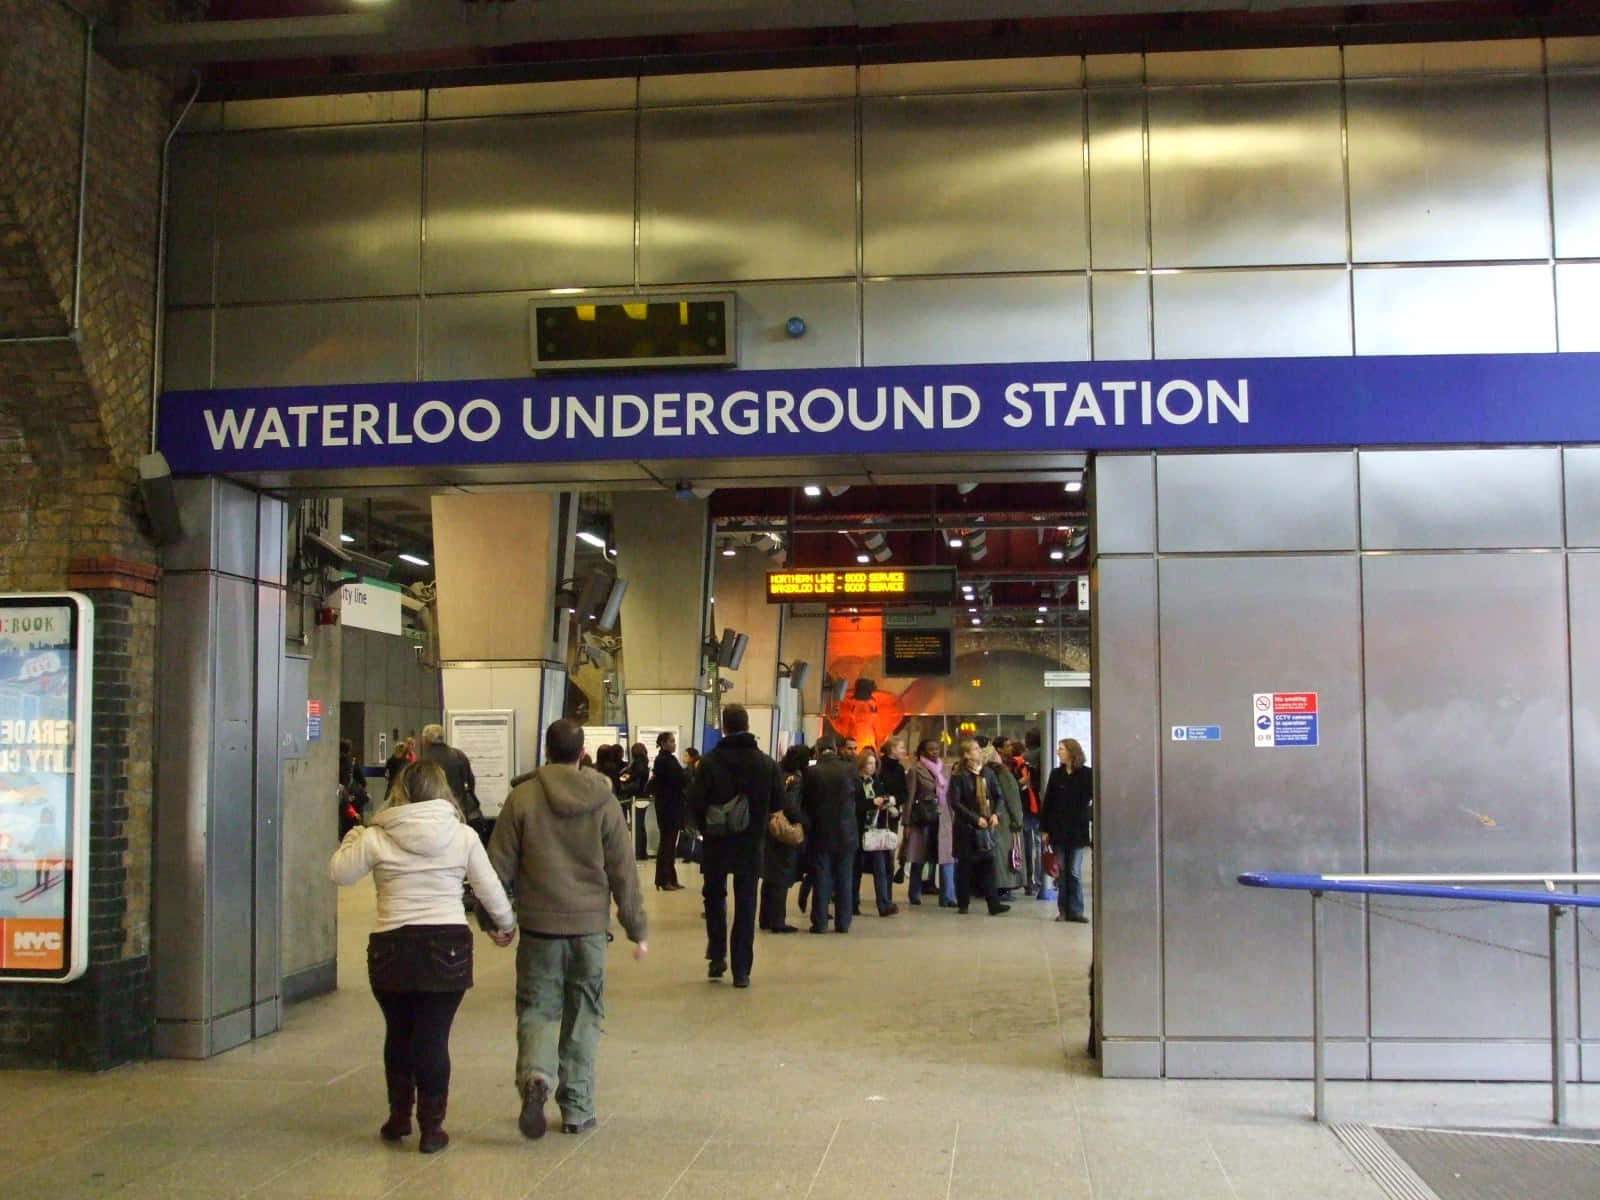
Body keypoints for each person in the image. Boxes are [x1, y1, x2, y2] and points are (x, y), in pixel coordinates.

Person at [329, 761, 516, 1154]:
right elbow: (489, 889)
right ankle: (432, 1128)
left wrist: (352, 837)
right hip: (446, 946)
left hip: (391, 946)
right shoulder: (462, 835)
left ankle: (399, 1117)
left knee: (398, 1033)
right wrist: (505, 924)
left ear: (401, 790)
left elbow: (340, 873)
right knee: (433, 1036)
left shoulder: (376, 835)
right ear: (443, 790)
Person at [488, 719, 647, 1138]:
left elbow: (496, 867)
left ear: (546, 750)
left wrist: (493, 921)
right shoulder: (604, 802)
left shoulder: (521, 799)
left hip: (539, 928)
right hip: (589, 930)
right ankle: (577, 1107)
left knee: (537, 1008)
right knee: (584, 1013)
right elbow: (623, 870)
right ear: (582, 753)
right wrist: (636, 926)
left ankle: (536, 1075)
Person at [686, 704, 783, 987]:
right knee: (746, 902)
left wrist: (705, 827)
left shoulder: (710, 762)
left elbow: (695, 801)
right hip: (751, 842)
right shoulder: (766, 764)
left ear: (724, 727)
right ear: (748, 725)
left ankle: (717, 956)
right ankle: (742, 970)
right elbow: (778, 802)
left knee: (714, 897)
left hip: (717, 841)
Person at [800, 734, 859, 933]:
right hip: (847, 831)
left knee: (822, 877)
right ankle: (843, 923)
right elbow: (858, 795)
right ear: (835, 749)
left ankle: (820, 922)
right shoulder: (850, 769)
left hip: (821, 831)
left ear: (817, 750)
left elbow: (805, 801)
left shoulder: (811, 772)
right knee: (845, 878)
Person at [948, 738, 1010, 916]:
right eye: (975, 749)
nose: (979, 751)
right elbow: (956, 803)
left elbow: (999, 796)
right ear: (967, 755)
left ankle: (993, 904)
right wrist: (975, 819)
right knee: (965, 867)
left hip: (986, 826)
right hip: (966, 828)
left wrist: (996, 814)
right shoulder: (959, 776)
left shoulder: (987, 773)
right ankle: (963, 903)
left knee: (988, 865)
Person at [1041, 737, 1093, 923]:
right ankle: (1063, 910)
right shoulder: (1056, 774)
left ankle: (1076, 910)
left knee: (1074, 872)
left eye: (1061, 749)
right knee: (1062, 871)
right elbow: (1048, 802)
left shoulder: (1087, 774)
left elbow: (1093, 798)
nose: (1058, 752)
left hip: (1077, 829)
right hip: (1058, 829)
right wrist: (1045, 829)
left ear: (1072, 752)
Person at [760, 743, 810, 934]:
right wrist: (804, 821)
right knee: (782, 876)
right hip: (785, 829)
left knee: (770, 876)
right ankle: (778, 921)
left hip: (769, 826)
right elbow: (791, 806)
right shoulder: (795, 779)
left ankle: (765, 917)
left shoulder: (775, 771)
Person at [903, 738, 955, 907]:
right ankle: (915, 893)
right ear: (923, 752)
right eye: (931, 749)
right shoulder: (915, 770)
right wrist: (907, 823)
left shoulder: (945, 769)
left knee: (946, 856)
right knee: (919, 856)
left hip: (943, 817)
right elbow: (909, 798)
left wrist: (952, 817)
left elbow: (949, 795)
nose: (935, 752)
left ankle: (948, 897)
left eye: (937, 749)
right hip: (923, 817)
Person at [417, 723, 486, 840]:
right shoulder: (459, 755)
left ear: (425, 740)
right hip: (459, 810)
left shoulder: (424, 761)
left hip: (434, 814)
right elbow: (471, 782)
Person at [853, 746, 899, 917]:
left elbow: (883, 796)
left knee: (881, 868)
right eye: (869, 763)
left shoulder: (876, 781)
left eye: (874, 763)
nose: (872, 767)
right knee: (856, 869)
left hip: (876, 831)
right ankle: (853, 903)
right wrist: (872, 803)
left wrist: (887, 802)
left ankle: (884, 904)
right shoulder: (855, 782)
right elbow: (856, 804)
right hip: (859, 829)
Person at [986, 739, 1025, 898]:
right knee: (1005, 854)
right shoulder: (1002, 772)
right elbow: (1012, 797)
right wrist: (1018, 820)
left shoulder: (982, 772)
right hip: (1004, 819)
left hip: (989, 818)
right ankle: (1003, 886)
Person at [650, 730, 687, 891]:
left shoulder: (669, 759)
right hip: (667, 807)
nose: (674, 744)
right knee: (667, 844)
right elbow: (679, 779)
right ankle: (664, 879)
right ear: (663, 743)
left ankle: (671, 878)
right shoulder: (664, 761)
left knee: (670, 844)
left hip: (671, 806)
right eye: (671, 741)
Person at [617, 742, 652, 860]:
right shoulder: (645, 765)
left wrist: (623, 778)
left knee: (637, 825)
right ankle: (642, 852)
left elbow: (625, 778)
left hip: (635, 797)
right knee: (640, 825)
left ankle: (637, 851)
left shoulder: (636, 766)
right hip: (643, 797)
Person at [1020, 728, 1045, 895]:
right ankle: (1041, 880)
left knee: (1028, 845)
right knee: (1040, 844)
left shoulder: (1023, 759)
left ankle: (1028, 881)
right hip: (1039, 804)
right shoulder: (1044, 757)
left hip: (1025, 804)